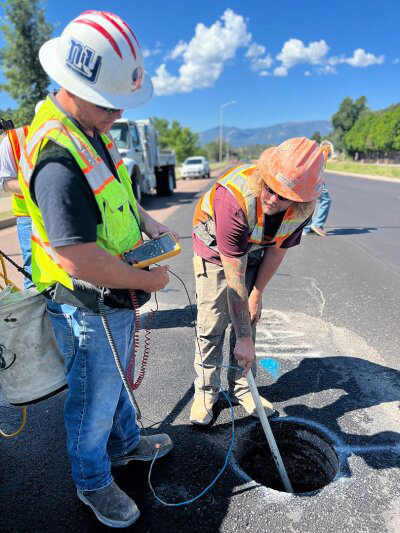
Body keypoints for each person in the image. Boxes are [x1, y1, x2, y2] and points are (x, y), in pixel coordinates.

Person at [18, 11, 177, 528]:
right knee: (92, 399)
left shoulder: (91, 129)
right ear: (72, 85)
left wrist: (150, 225)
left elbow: (122, 201)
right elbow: (77, 257)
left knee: (109, 387)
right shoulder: (58, 159)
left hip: (113, 294)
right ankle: (92, 481)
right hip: (86, 304)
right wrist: (146, 280)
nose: (117, 114)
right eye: (110, 103)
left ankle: (127, 444)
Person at [191, 138, 331, 425]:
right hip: (218, 252)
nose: (271, 199)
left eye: (283, 197)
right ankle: (206, 392)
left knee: (249, 318)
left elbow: (276, 250)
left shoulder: (302, 209)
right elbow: (233, 279)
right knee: (212, 323)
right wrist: (241, 336)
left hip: (255, 248)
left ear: (301, 199)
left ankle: (244, 388)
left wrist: (257, 293)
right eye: (269, 189)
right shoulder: (233, 198)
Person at [0, 122, 33, 288]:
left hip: (71, 214)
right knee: (34, 273)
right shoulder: (15, 138)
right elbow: (4, 181)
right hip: (29, 217)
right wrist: (39, 188)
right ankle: (35, 313)